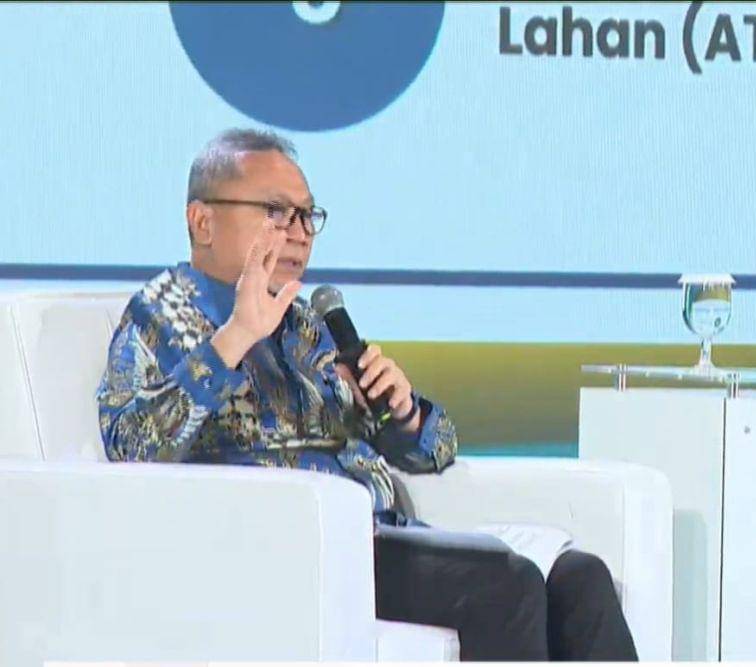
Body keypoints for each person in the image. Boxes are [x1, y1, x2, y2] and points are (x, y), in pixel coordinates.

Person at [97, 128, 638, 661]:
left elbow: (433, 450)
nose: (299, 233)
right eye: (276, 212)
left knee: (579, 578)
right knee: (504, 582)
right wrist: (236, 337)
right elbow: (130, 448)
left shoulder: (305, 324)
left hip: (377, 538)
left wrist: (403, 415)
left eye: (307, 216)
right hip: (285, 552)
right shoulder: (161, 312)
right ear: (203, 221)